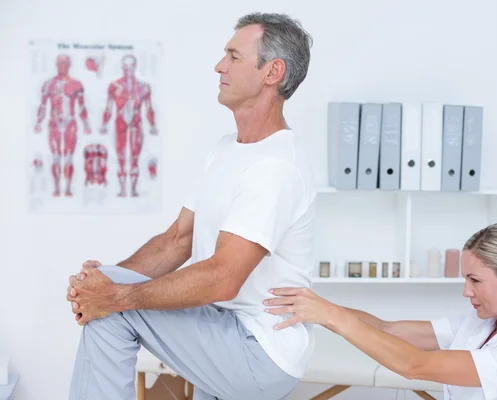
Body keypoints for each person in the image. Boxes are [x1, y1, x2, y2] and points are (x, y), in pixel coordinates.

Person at [66, 12, 315, 400]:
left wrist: (115, 296)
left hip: (256, 349)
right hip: (219, 332)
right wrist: (102, 283)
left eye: (234, 57)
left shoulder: (276, 166)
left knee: (112, 313)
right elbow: (176, 240)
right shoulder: (224, 151)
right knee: (109, 300)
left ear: (272, 72)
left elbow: (222, 277)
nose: (219, 66)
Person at [265, 223, 497, 399]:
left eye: (474, 280)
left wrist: (331, 316)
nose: (466, 291)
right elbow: (389, 330)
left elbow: (416, 365)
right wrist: (319, 307)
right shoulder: (482, 324)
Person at [99, 54, 158, 197]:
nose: (128, 71)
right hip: (120, 125)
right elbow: (108, 107)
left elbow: (148, 108)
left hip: (136, 125)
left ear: (135, 67)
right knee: (121, 158)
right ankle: (122, 190)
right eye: (126, 67)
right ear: (122, 68)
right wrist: (104, 124)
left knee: (134, 159)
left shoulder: (143, 87)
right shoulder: (114, 86)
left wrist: (152, 125)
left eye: (131, 67)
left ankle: (133, 190)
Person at [34, 54, 92, 197]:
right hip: (54, 122)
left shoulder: (76, 84)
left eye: (65, 64)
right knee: (55, 156)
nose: (63, 66)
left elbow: (82, 106)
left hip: (70, 123)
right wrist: (38, 122)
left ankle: (67, 189)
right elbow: (42, 105)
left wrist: (86, 124)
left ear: (69, 65)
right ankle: (56, 188)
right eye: (60, 64)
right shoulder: (48, 84)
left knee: (68, 156)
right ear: (56, 65)